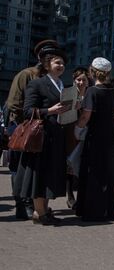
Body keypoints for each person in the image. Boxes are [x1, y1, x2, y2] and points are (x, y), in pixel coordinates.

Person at [14, 46, 70, 225]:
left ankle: (42, 211)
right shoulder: (37, 83)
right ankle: (40, 212)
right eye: (57, 62)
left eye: (62, 63)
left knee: (50, 174)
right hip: (42, 137)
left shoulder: (63, 84)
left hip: (57, 135)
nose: (61, 66)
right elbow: (27, 110)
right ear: (47, 65)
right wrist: (49, 110)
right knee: (40, 175)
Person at [6, 39, 59, 220]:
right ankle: (22, 203)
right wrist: (30, 126)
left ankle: (38, 206)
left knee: (39, 170)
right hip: (23, 128)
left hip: (45, 130)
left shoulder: (56, 80)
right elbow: (14, 103)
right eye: (46, 55)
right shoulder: (26, 75)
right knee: (20, 168)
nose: (49, 58)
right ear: (39, 57)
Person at [74, 58, 114, 221]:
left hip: (95, 135)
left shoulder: (92, 91)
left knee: (93, 171)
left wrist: (78, 128)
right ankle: (110, 209)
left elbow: (86, 115)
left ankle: (93, 210)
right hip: (111, 135)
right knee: (110, 173)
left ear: (92, 72)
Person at [65, 67, 90, 209]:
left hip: (86, 133)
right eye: (78, 80)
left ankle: (82, 195)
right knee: (70, 165)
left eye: (83, 80)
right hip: (71, 133)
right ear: (74, 81)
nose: (81, 82)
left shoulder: (90, 94)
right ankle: (69, 195)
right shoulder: (69, 94)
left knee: (83, 165)